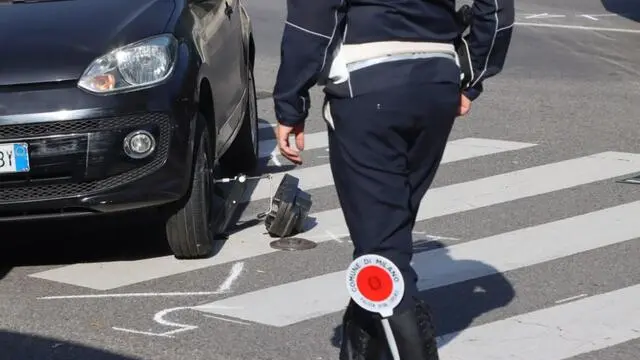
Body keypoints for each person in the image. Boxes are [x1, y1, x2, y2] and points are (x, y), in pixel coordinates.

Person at [272, 0, 515, 358]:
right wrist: (472, 71)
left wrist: (291, 100)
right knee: (387, 232)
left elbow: (313, 18)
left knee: (381, 249)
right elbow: (496, 8)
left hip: (367, 78)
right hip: (436, 76)